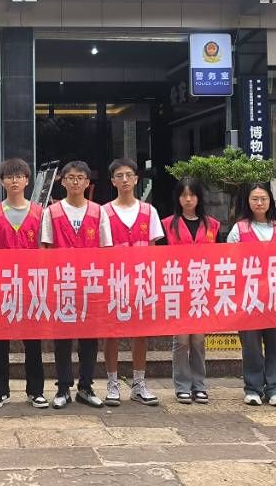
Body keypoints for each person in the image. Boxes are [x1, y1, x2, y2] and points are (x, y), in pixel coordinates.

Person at [0, 157, 47, 409]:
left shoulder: (40, 213)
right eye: (9, 177)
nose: (14, 180)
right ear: (3, 181)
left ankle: (36, 391)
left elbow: (43, 251)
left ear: (27, 180)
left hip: (31, 285)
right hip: (2, 285)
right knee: (0, 341)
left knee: (33, 340)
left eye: (19, 176)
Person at [40, 161, 108, 409]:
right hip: (62, 284)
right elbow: (45, 248)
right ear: (63, 181)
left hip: (90, 285)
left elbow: (106, 249)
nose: (76, 182)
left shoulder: (99, 212)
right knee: (62, 338)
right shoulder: (52, 212)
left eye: (80, 177)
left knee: (89, 338)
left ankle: (86, 387)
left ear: (88, 182)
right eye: (71, 177)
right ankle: (62, 388)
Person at [100, 158, 164, 407]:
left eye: (129, 175)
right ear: (112, 181)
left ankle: (138, 383)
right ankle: (112, 383)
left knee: (141, 332)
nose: (125, 180)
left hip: (141, 280)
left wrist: (153, 280)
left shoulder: (149, 211)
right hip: (114, 280)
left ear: (137, 179)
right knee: (111, 333)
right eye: (119, 176)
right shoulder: (104, 212)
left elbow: (153, 248)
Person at [227, 182, 276, 408]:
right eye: (255, 199)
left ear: (270, 201)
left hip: (275, 296)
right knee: (251, 345)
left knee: (275, 344)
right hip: (248, 297)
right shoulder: (239, 229)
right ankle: (253, 388)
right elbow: (230, 262)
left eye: (263, 198)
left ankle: (275, 388)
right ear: (248, 202)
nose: (259, 203)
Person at [162, 177, 219, 405]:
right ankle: (182, 385)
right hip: (178, 288)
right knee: (181, 340)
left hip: (202, 290)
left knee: (198, 339)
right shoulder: (168, 224)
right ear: (178, 198)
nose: (188, 199)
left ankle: (199, 385)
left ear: (199, 197)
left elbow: (220, 258)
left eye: (192, 195)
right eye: (183, 195)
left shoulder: (213, 225)